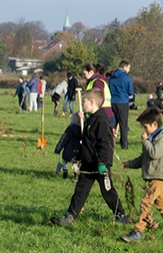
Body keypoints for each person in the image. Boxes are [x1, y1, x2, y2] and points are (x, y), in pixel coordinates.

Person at [50, 89, 129, 226]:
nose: (82, 104)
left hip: (100, 163)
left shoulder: (101, 120)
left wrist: (103, 163)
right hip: (88, 162)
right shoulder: (91, 119)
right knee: (80, 190)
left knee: (107, 191)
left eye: (84, 102)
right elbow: (87, 140)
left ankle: (120, 215)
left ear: (92, 102)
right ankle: (70, 215)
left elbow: (105, 143)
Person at [119, 108, 163, 243]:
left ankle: (137, 231)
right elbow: (144, 158)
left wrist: (145, 141)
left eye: (145, 127)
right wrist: (129, 164)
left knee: (146, 203)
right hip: (153, 176)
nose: (144, 130)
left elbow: (154, 153)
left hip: (159, 176)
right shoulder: (152, 138)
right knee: (162, 205)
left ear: (154, 125)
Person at [109, 61, 135, 150]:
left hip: (113, 102)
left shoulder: (112, 78)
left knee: (113, 124)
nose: (129, 70)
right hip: (123, 102)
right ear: (125, 67)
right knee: (123, 125)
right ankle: (124, 145)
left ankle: (110, 143)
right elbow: (130, 92)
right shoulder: (127, 78)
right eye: (129, 68)